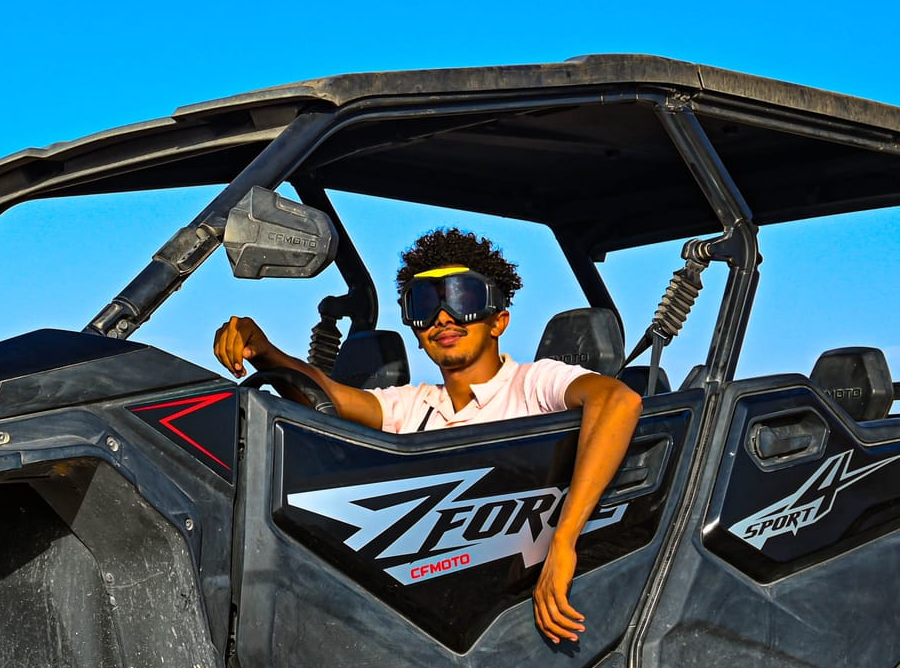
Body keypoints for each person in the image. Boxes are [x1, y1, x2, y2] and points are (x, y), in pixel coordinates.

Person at [214, 227, 643, 642]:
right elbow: (330, 397)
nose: (442, 317)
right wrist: (264, 350)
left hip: (505, 613)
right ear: (416, 332)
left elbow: (617, 402)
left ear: (499, 321)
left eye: (464, 298)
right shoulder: (413, 406)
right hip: (422, 615)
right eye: (424, 304)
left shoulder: (534, 383)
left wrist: (564, 541)